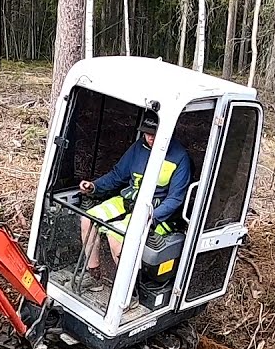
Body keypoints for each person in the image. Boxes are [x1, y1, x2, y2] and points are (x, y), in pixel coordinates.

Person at [76, 112, 192, 291]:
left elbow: (176, 199)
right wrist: (94, 186)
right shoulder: (139, 148)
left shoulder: (180, 157)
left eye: (155, 133)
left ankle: (128, 293)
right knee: (87, 219)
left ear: (169, 131)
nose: (150, 137)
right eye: (147, 133)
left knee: (116, 236)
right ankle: (94, 276)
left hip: (153, 211)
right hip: (128, 200)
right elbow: (117, 175)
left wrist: (152, 216)